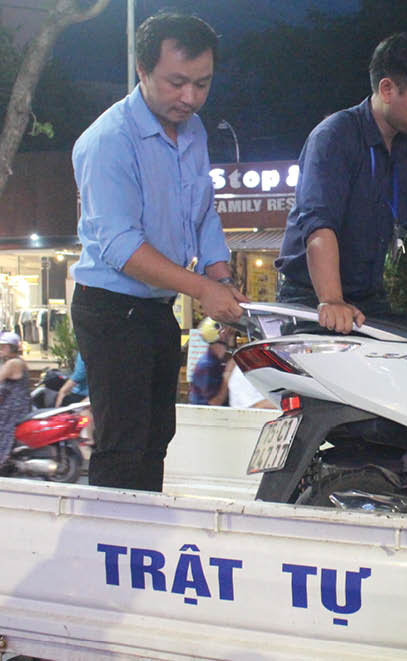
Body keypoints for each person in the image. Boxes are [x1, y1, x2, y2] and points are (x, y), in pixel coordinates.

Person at [69, 12, 247, 492]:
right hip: (110, 310)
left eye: (202, 84)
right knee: (123, 445)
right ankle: (113, 535)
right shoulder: (109, 140)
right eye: (176, 82)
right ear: (142, 70)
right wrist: (203, 289)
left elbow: (203, 212)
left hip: (155, 306)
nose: (189, 98)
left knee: (157, 437)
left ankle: (143, 530)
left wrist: (221, 276)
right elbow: (122, 248)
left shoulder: (193, 130)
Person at [276, 32, 407, 333]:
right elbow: (319, 226)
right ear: (387, 89)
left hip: (368, 299)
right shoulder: (334, 137)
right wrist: (332, 300)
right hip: (313, 299)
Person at [0, 332, 31, 465]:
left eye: (3, 347)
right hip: (17, 404)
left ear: (12, 348)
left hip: (13, 407)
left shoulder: (13, 363)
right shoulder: (18, 361)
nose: (1, 350)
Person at [188, 319, 233, 406]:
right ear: (222, 335)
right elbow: (214, 403)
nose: (231, 333)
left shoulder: (216, 362)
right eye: (227, 331)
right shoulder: (207, 366)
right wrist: (228, 375)